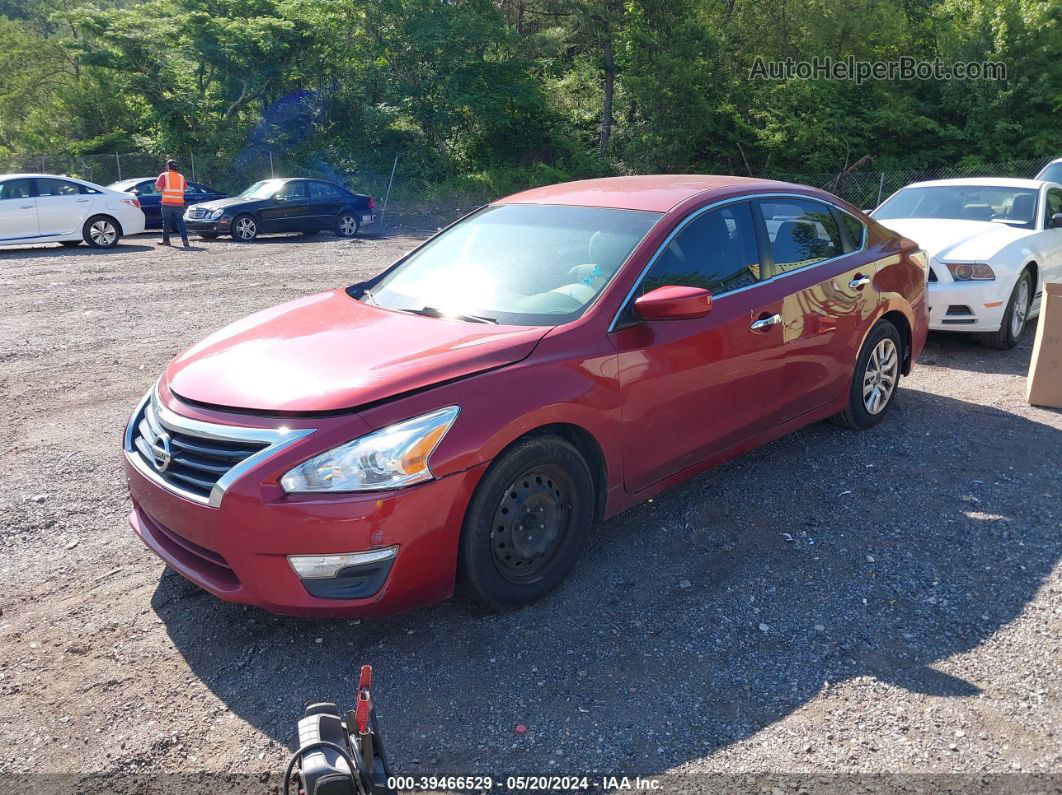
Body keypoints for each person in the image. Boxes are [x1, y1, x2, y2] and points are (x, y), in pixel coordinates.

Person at [155, 159, 190, 248]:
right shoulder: (181, 177)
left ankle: (166, 240)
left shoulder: (164, 175)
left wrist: (163, 190)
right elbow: (185, 188)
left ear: (168, 167)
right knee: (180, 222)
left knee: (166, 222)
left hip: (167, 204)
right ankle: (185, 241)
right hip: (179, 204)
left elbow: (158, 188)